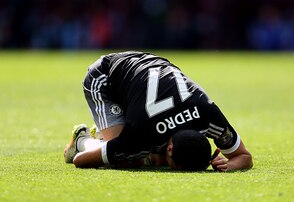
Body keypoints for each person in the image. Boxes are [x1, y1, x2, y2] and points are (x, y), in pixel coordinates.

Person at [64, 51, 253, 171]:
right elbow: (80, 161)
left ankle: (108, 134)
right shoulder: (141, 133)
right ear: (169, 148)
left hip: (148, 72)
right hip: (105, 76)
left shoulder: (208, 115)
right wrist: (95, 150)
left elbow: (244, 157)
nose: (167, 167)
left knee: (138, 155)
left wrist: (229, 165)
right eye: (170, 165)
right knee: (124, 160)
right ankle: (83, 139)